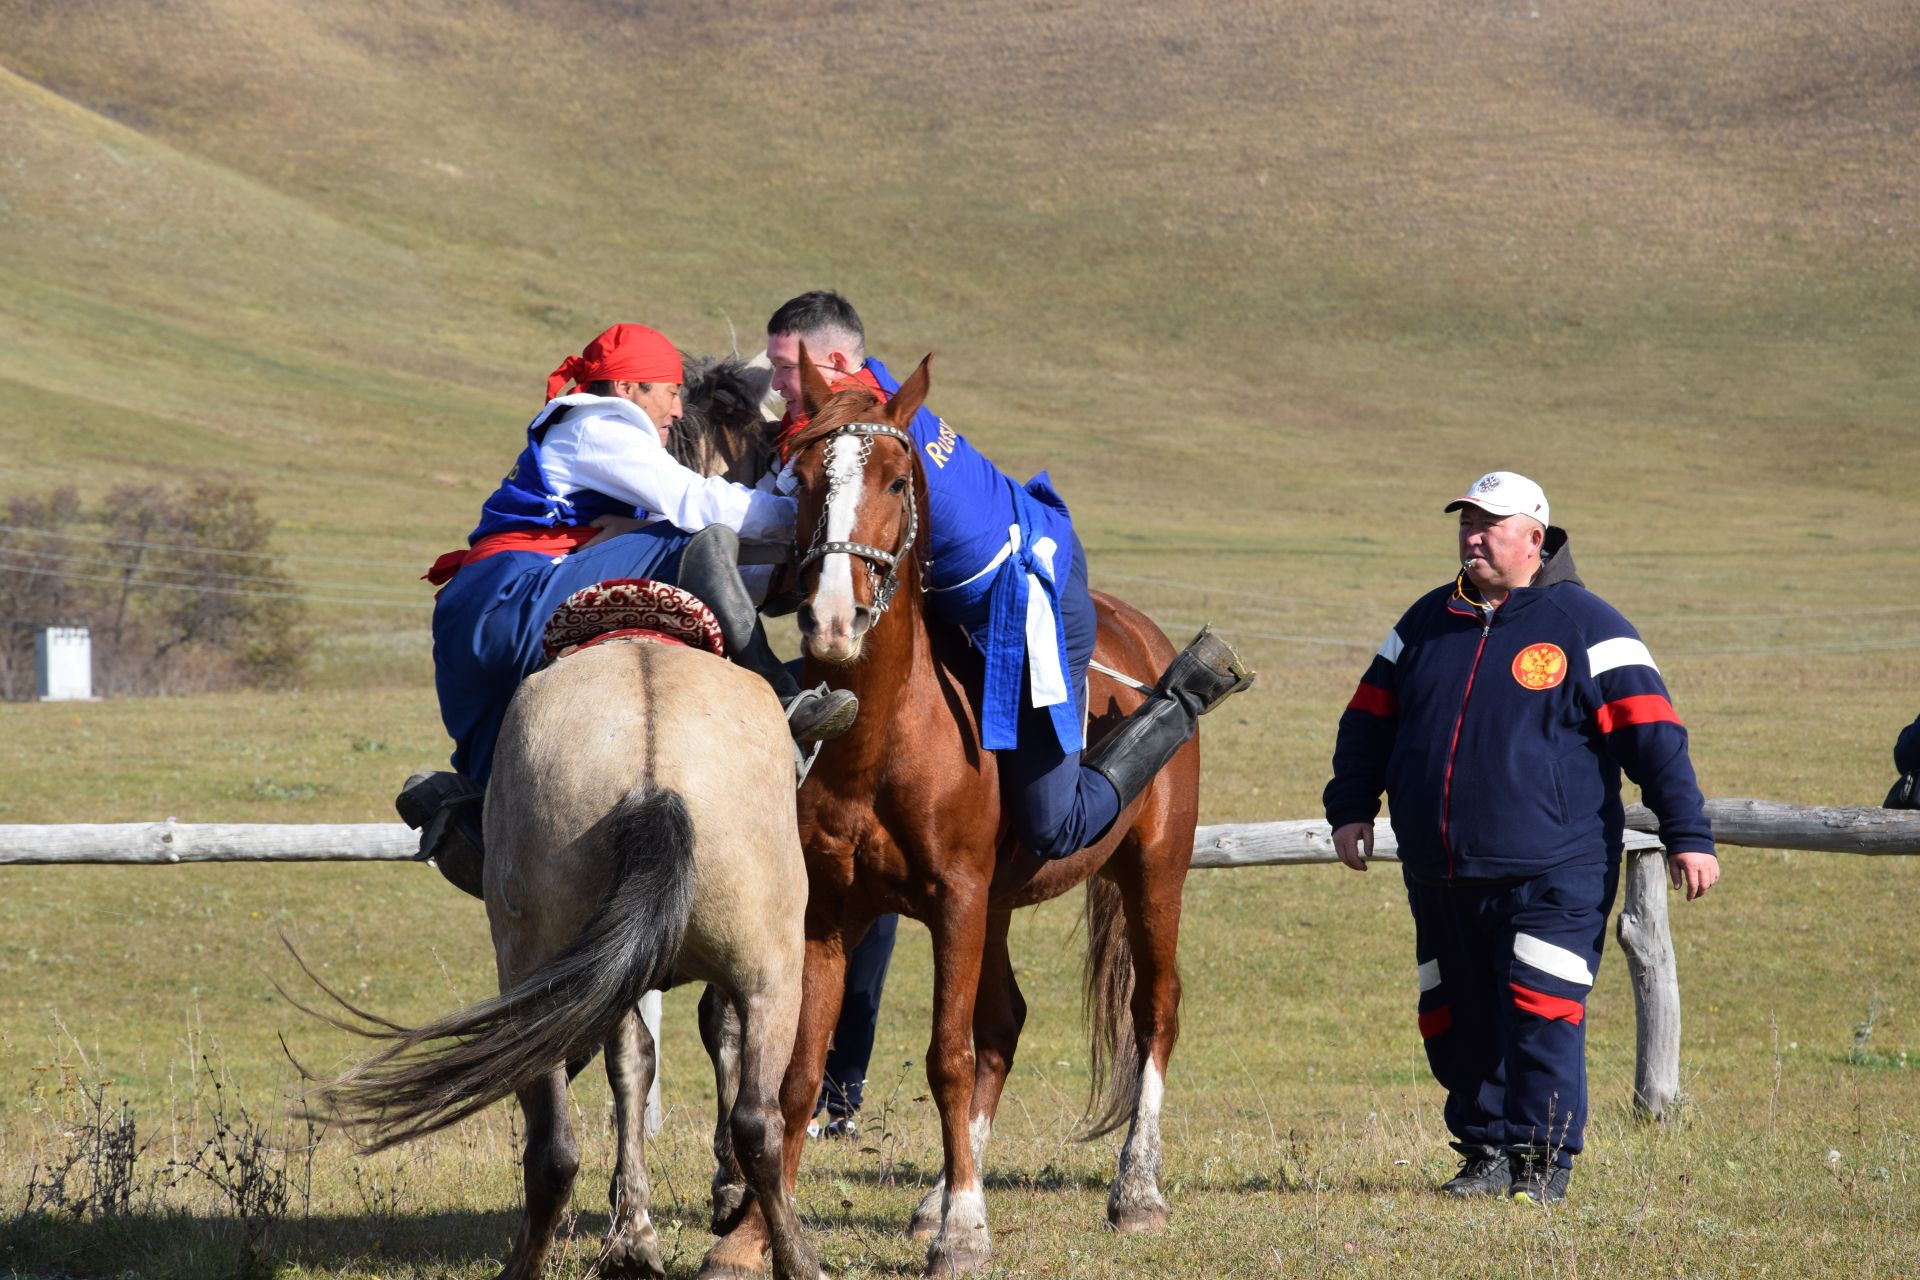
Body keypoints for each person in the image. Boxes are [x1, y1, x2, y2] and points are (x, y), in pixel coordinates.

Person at [1322, 470, 1721, 1206]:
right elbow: (1368, 720)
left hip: (1554, 870)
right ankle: (1484, 1153)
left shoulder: (1588, 625)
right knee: (1454, 1019)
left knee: (1541, 1011)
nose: (1473, 537)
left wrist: (1688, 833)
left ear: (1534, 539)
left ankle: (1542, 1164)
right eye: (1467, 523)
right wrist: (1350, 805)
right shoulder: (1422, 623)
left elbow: (1655, 737)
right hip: (1440, 872)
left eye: (1490, 525)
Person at [763, 291, 1252, 861]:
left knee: (1053, 827)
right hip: (951, 600)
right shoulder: (867, 404)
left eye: (785, 369)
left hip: (1034, 595)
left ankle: (1179, 703)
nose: (779, 385)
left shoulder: (876, 438)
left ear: (841, 369)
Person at [400, 323, 858, 887]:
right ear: (626, 389)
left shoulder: (587, 432)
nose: (677, 406)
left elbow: (713, 561)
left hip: (483, 616)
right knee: (696, 537)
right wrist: (814, 517)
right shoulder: (599, 424)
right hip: (511, 602)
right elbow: (698, 504)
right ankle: (779, 695)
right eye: (666, 390)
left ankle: (469, 803)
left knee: (497, 782)